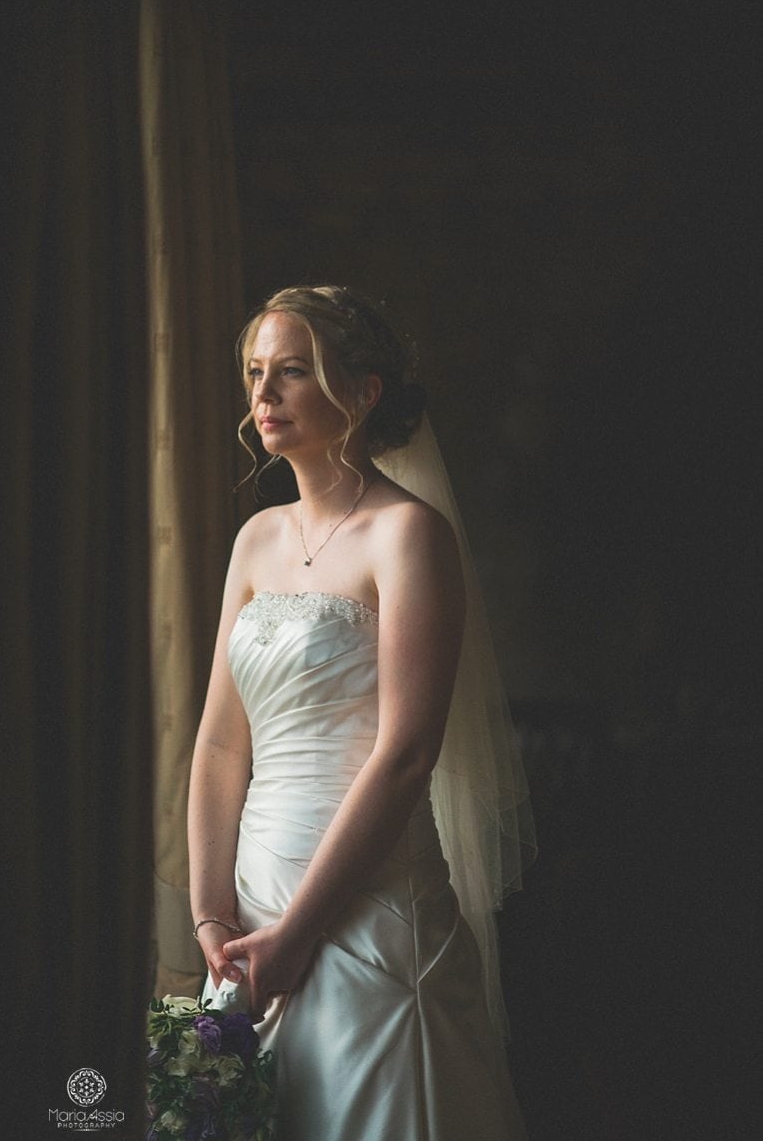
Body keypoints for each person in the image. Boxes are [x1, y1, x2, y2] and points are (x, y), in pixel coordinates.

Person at [188, 285, 533, 1140]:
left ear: (363, 390)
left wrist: (299, 933)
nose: (262, 394)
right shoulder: (255, 540)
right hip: (246, 917)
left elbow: (407, 753)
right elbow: (222, 742)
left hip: (364, 905)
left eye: (292, 372)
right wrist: (212, 913)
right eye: (254, 372)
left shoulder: (408, 535)